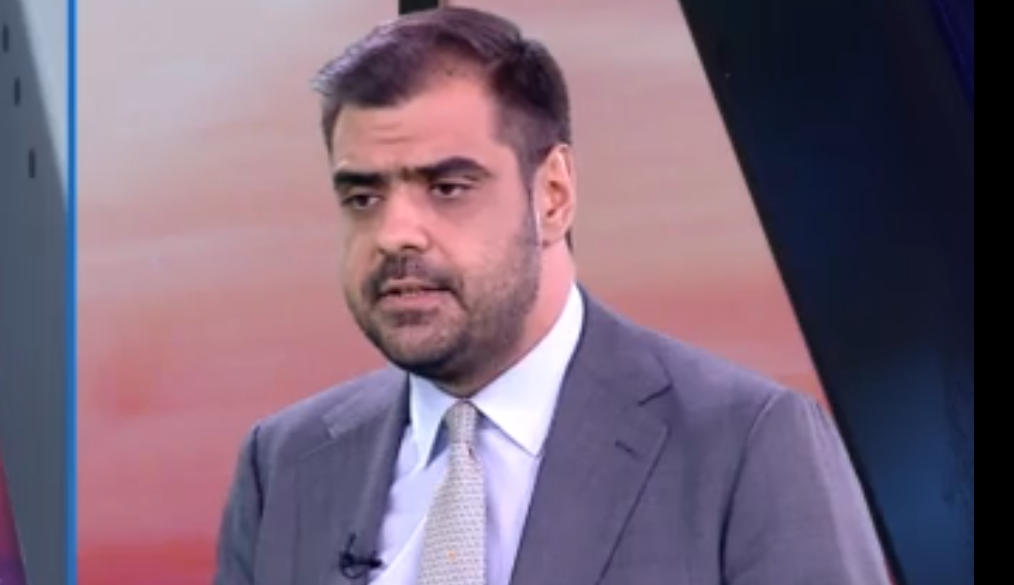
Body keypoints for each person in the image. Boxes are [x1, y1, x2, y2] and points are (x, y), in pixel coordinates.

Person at [213, 7, 892, 585]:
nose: (395, 235)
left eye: (448, 188)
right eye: (363, 197)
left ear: (554, 195)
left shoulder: (746, 444)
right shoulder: (284, 465)